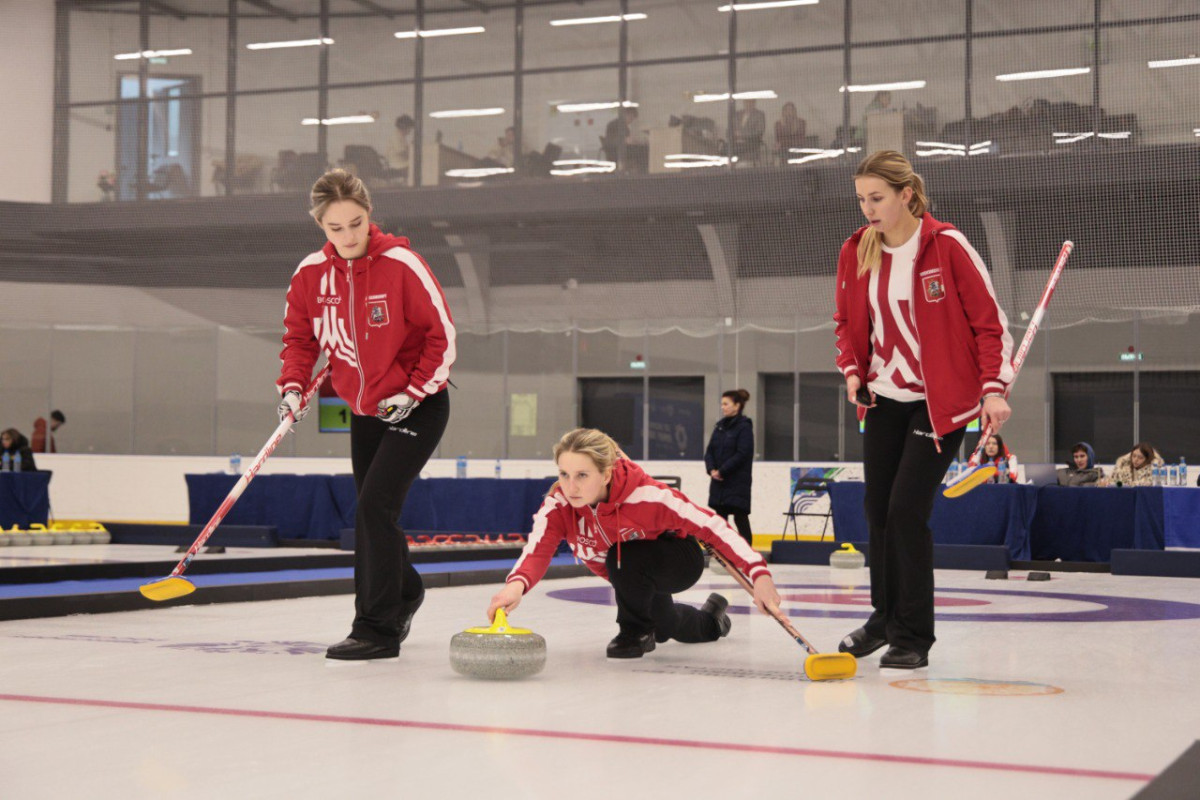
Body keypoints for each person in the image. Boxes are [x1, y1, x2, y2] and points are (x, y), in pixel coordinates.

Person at [833, 150, 1013, 670]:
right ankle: (884, 618)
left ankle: (912, 635)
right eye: (861, 199)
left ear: (906, 194)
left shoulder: (947, 246)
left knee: (906, 512)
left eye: (877, 198)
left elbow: (989, 325)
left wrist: (993, 388)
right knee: (877, 511)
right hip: (882, 399)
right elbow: (845, 323)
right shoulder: (857, 250)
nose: (868, 208)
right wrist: (853, 371)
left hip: (938, 407)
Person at [278, 168, 456, 661]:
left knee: (374, 507)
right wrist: (293, 387)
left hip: (418, 404)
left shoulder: (402, 264)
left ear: (369, 213)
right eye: (336, 228)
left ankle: (376, 628)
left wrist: (414, 392)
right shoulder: (311, 274)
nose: (349, 236)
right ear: (320, 225)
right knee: (372, 510)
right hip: (366, 411)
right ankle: (405, 590)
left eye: (356, 223)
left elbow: (442, 336)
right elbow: (300, 340)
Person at [487, 428, 781, 659]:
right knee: (664, 624)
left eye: (582, 475)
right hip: (630, 573)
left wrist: (760, 576)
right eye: (564, 474)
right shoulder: (559, 506)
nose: (570, 486)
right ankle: (713, 619)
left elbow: (714, 527)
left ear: (606, 474)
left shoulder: (648, 496)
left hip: (676, 558)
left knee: (624, 554)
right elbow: (538, 549)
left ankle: (633, 632)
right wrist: (515, 586)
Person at [704, 389, 754, 548]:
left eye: (726, 404)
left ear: (737, 406)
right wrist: (712, 470)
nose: (723, 407)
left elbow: (742, 454)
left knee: (740, 517)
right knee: (720, 520)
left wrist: (722, 471)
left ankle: (747, 552)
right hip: (719, 483)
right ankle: (723, 550)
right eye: (722, 404)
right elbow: (710, 451)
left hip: (737, 482)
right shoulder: (719, 427)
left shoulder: (744, 427)